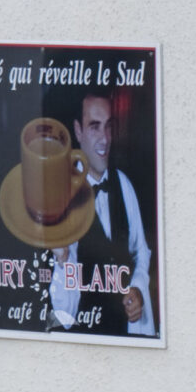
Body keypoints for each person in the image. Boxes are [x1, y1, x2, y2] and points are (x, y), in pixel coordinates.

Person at [47, 94, 156, 338]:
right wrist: (63, 259)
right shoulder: (60, 195)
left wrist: (137, 288)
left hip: (127, 333)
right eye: (94, 126)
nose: (104, 138)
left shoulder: (123, 184)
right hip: (86, 337)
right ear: (78, 130)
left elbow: (141, 250)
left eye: (108, 126)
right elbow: (63, 314)